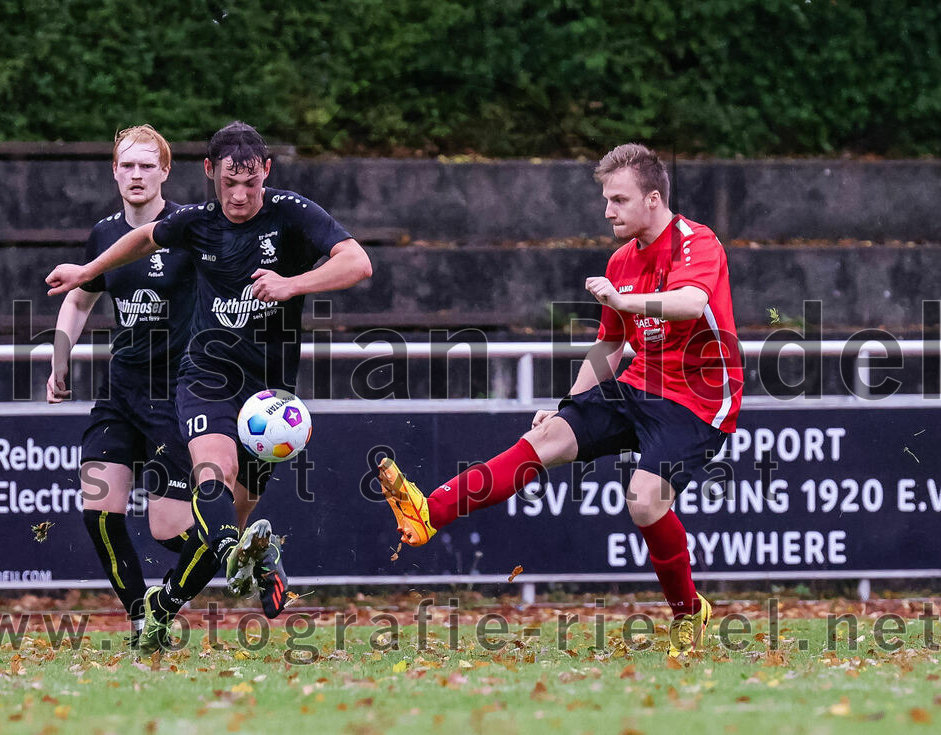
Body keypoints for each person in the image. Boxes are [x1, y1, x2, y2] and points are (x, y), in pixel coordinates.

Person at [377, 143, 742, 658]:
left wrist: (624, 300)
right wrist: (568, 403)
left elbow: (691, 302)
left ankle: (688, 613)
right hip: (640, 383)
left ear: (654, 199)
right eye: (606, 199)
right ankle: (427, 513)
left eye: (618, 199)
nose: (608, 211)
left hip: (699, 399)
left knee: (643, 500)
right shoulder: (621, 260)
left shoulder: (695, 241)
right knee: (545, 436)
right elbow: (610, 345)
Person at [46, 121, 373, 653]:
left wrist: (291, 284)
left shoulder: (287, 213)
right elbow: (137, 243)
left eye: (250, 183)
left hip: (265, 393)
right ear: (209, 173)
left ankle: (174, 600)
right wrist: (87, 274)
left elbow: (358, 263)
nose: (239, 195)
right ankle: (175, 592)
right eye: (229, 183)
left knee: (202, 522)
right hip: (198, 378)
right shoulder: (193, 223)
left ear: (266, 171)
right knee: (193, 481)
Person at [47, 124, 196, 647]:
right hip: (120, 391)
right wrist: (59, 360)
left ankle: (242, 553)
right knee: (98, 511)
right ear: (114, 171)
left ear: (164, 171)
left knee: (169, 530)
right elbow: (79, 298)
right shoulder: (104, 233)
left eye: (146, 165)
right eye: (127, 165)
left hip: (176, 394)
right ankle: (142, 619)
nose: (136, 175)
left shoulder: (187, 228)